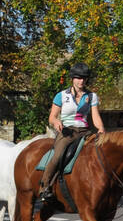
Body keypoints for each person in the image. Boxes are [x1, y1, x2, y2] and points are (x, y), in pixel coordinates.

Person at [39, 62, 106, 204]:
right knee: (58, 155)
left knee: (98, 154)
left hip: (85, 131)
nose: (81, 81)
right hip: (67, 131)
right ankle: (45, 186)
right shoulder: (61, 96)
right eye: (78, 78)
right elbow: (52, 116)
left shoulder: (91, 96)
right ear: (72, 79)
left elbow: (95, 116)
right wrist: (56, 122)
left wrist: (100, 129)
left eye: (83, 78)